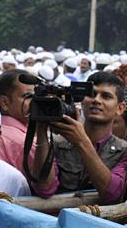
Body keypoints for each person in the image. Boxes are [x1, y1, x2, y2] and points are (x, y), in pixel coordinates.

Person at [32, 72, 127, 203]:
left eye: (106, 96)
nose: (96, 100)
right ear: (81, 100)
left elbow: (112, 194)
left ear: (120, 108)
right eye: (91, 94)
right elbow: (44, 189)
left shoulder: (123, 151)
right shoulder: (57, 143)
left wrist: (82, 142)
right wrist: (41, 130)